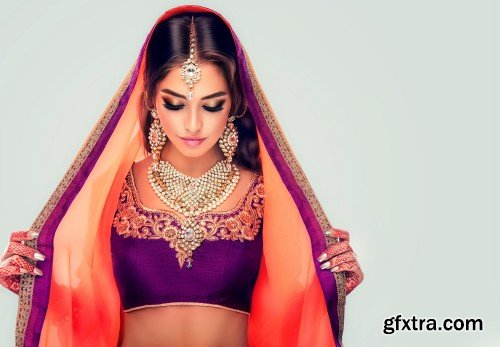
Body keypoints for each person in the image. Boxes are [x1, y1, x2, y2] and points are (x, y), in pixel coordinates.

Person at [0, 5, 363, 347]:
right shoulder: (112, 189)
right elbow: (84, 303)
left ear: (235, 102)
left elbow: (288, 308)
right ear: (150, 100)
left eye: (212, 104)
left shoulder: (268, 195)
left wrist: (330, 278)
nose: (193, 124)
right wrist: (36, 281)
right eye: (175, 103)